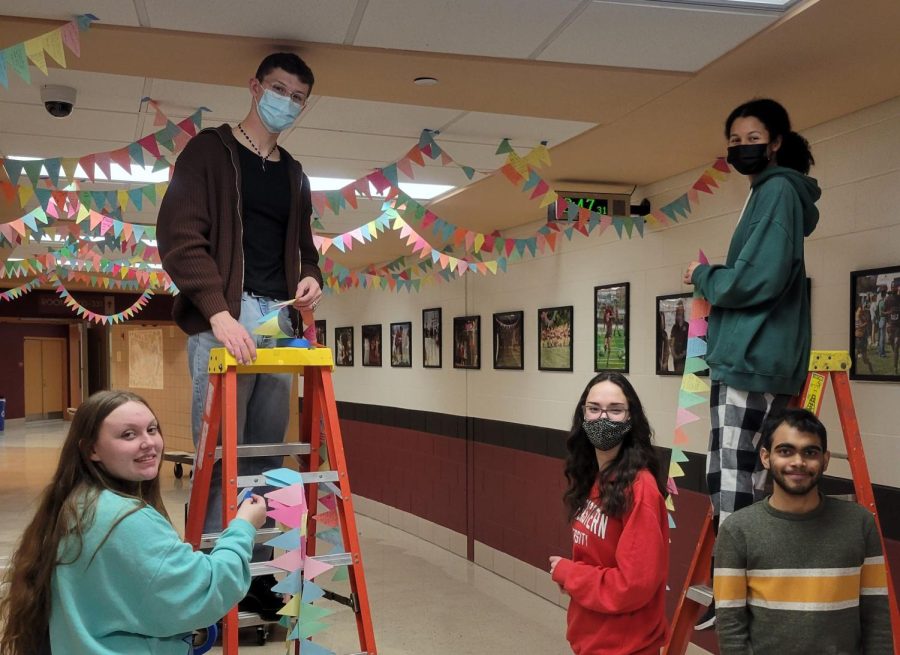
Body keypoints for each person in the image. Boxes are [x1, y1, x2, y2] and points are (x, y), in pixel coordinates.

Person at [157, 52, 323, 616]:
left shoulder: (295, 173)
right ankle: (206, 577)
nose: (287, 103)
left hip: (280, 321)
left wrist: (309, 278)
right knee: (219, 454)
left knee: (264, 455)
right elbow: (179, 237)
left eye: (298, 97)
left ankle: (251, 575)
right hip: (226, 320)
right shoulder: (209, 151)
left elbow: (307, 250)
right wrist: (218, 312)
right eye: (279, 89)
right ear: (254, 87)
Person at [684, 98, 820, 630]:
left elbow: (754, 279)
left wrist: (703, 277)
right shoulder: (772, 193)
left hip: (753, 354)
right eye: (735, 140)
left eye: (753, 137)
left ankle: (736, 584)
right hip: (753, 355)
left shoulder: (778, 191)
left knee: (736, 476)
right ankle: (743, 578)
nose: (743, 147)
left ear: (777, 141)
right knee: (739, 475)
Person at [0, 391, 267, 655]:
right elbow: (207, 591)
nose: (148, 442)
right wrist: (243, 527)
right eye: (129, 435)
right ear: (91, 448)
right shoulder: (126, 520)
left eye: (152, 429)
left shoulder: (77, 503)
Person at [714, 408, 893, 653]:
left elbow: (877, 618)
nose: (798, 462)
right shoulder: (738, 530)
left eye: (810, 452)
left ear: (825, 459)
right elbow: (731, 627)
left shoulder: (860, 523)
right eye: (785, 451)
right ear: (766, 457)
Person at [549, 372, 669, 655]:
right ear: (583, 415)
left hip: (626, 647)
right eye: (594, 409)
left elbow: (632, 586)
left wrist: (570, 574)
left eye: (615, 410)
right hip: (592, 640)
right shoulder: (595, 476)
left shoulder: (640, 490)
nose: (603, 418)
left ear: (631, 418)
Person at [669, 300, 688, 374]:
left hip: (684, 358)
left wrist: (682, 355)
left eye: (681, 309)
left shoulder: (687, 326)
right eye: (678, 309)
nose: (680, 311)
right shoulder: (674, 327)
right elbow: (672, 343)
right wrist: (674, 355)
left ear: (683, 311)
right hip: (676, 358)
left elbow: (690, 344)